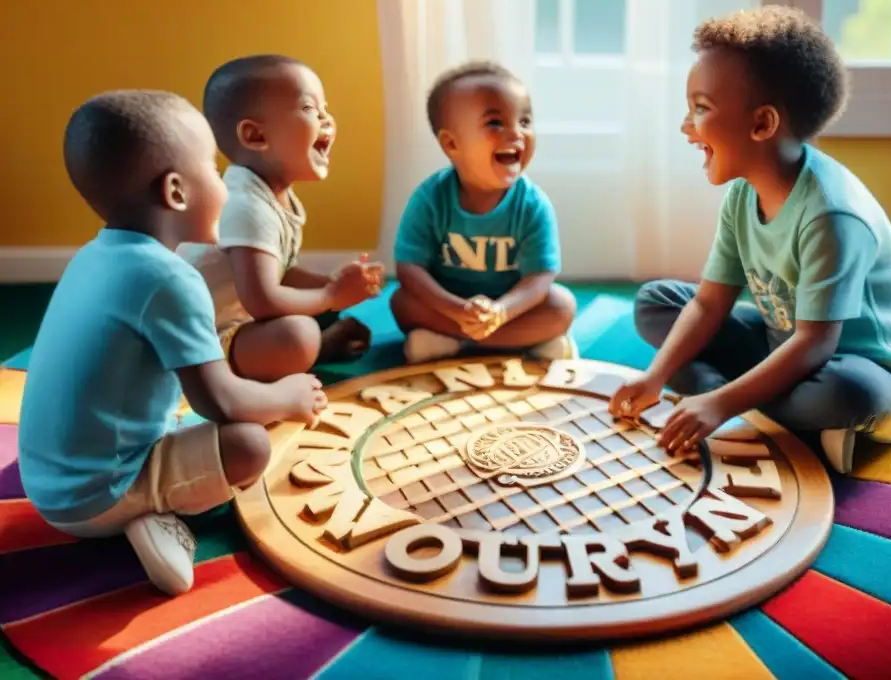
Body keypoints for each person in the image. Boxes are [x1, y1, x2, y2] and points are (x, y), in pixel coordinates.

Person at [18, 90, 329, 597]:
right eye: (213, 168)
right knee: (250, 443)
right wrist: (290, 397)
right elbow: (221, 400)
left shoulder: (94, 255)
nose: (226, 188)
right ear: (177, 192)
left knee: (230, 416)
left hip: (47, 480)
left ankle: (144, 495)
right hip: (96, 495)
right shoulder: (168, 277)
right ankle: (151, 512)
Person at [608, 6, 891, 475]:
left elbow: (814, 345)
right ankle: (748, 401)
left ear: (762, 124)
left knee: (846, 394)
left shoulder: (832, 213)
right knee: (657, 302)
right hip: (779, 341)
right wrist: (655, 376)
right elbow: (707, 303)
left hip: (866, 370)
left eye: (701, 109)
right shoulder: (744, 193)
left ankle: (727, 397)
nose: (687, 126)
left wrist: (719, 404)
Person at [178, 55, 383, 383]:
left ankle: (310, 347)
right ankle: (309, 352)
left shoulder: (270, 193)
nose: (327, 120)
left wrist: (332, 283)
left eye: (325, 109)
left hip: (234, 320)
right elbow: (263, 300)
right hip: (195, 346)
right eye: (309, 109)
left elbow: (280, 272)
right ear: (256, 136)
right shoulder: (246, 204)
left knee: (319, 315)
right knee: (298, 335)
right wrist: (330, 295)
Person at [389, 61, 577, 363]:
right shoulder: (430, 198)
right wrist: (456, 310)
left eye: (525, 122)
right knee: (401, 302)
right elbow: (410, 270)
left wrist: (502, 311)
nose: (516, 133)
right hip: (449, 306)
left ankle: (456, 345)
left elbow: (539, 278)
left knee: (561, 306)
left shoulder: (532, 204)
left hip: (512, 310)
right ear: (452, 144)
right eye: (495, 123)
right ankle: (524, 346)